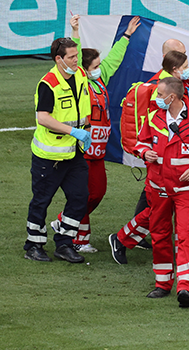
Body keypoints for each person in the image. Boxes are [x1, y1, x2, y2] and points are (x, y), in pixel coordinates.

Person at [110, 50, 189, 264]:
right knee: (156, 212)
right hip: (162, 166)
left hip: (173, 168)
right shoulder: (162, 89)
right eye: (185, 66)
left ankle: (123, 239)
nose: (188, 70)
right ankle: (123, 239)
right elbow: (177, 124)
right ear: (175, 69)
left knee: (159, 212)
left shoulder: (172, 86)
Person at [49, 15, 140, 254]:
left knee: (96, 194)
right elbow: (75, 58)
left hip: (98, 151)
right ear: (84, 70)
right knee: (86, 194)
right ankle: (76, 236)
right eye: (95, 66)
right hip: (83, 150)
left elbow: (114, 60)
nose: (100, 69)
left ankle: (64, 222)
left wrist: (127, 36)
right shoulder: (81, 82)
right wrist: (75, 30)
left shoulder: (101, 81)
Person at [134, 77, 189, 308]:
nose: (156, 99)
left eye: (160, 95)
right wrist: (145, 153)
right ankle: (162, 284)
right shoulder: (153, 118)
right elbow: (140, 143)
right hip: (158, 188)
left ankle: (184, 287)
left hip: (185, 191)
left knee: (185, 236)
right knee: (160, 235)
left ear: (172, 97)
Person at [24, 36, 91, 263]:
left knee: (80, 197)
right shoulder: (48, 83)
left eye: (76, 56)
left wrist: (75, 29)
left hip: (74, 152)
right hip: (49, 155)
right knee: (42, 200)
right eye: (71, 57)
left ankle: (64, 243)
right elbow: (42, 117)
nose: (76, 60)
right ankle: (33, 244)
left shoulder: (78, 73)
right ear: (58, 59)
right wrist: (73, 132)